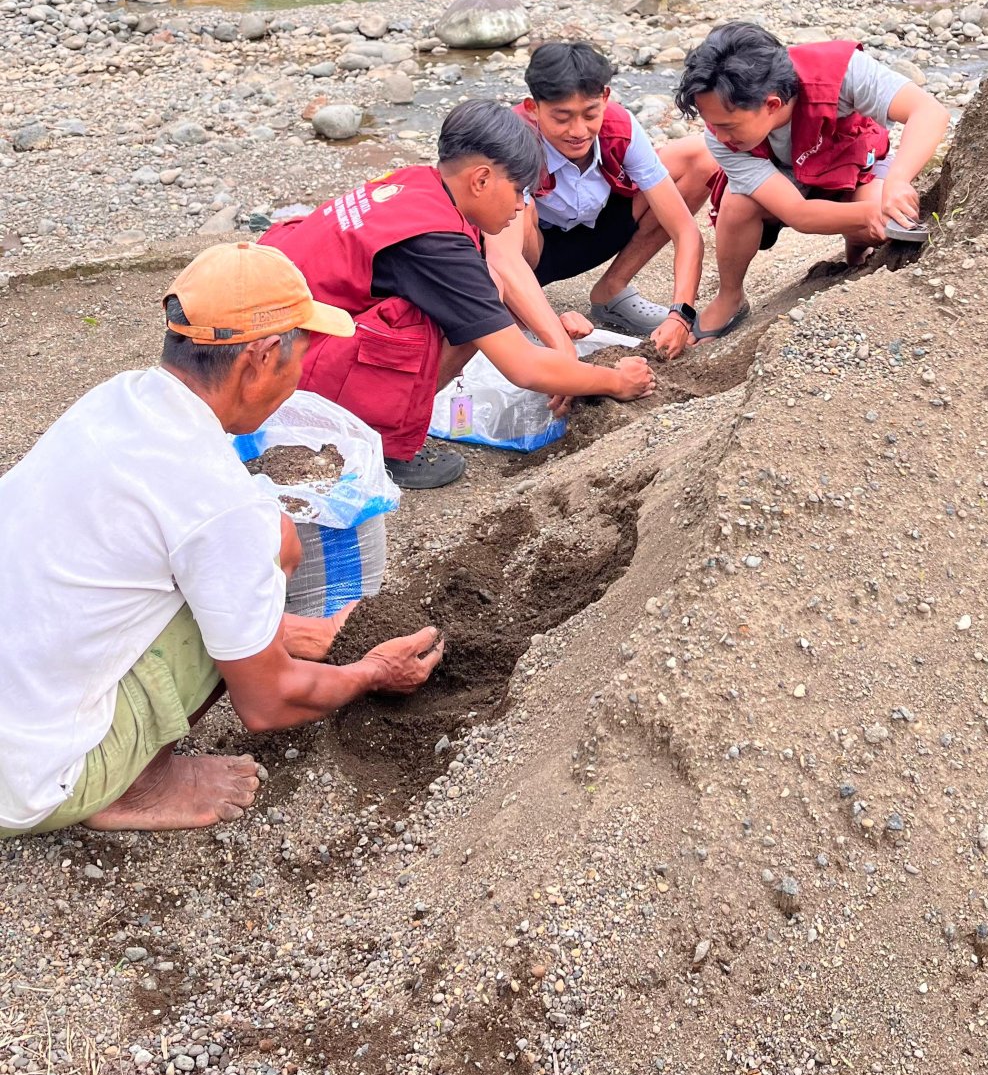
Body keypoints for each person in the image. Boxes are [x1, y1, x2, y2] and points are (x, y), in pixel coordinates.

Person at [0, 242, 446, 837]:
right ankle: (131, 783)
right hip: (25, 780)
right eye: (299, 356)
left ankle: (254, 636)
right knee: (258, 552)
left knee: (248, 548)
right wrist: (371, 672)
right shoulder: (217, 501)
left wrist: (272, 625)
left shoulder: (117, 400)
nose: (299, 376)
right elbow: (269, 704)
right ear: (260, 357)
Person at [261, 99, 655, 492]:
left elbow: (479, 292)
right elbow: (524, 368)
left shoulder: (417, 183)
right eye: (519, 191)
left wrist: (551, 329)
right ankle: (379, 442)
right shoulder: (435, 244)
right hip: (287, 381)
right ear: (481, 180)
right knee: (468, 309)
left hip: (278, 339)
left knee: (485, 291)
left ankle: (376, 422)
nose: (521, 207)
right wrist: (616, 382)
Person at [675, 22, 950, 338]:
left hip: (853, 162)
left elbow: (929, 111)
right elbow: (797, 213)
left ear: (772, 104)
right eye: (712, 123)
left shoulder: (840, 71)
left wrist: (898, 182)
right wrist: (866, 216)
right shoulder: (720, 139)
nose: (719, 136)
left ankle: (856, 244)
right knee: (736, 205)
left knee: (886, 218)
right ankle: (730, 296)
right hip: (788, 182)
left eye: (729, 126)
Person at [483, 41, 715, 361]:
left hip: (600, 229)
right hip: (534, 256)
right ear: (533, 107)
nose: (578, 131)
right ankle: (519, 310)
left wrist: (681, 315)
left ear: (605, 99)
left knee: (699, 160)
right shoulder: (513, 141)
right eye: (562, 117)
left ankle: (612, 292)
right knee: (522, 209)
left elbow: (685, 231)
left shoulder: (619, 127)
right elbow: (502, 259)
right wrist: (555, 335)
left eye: (590, 114)